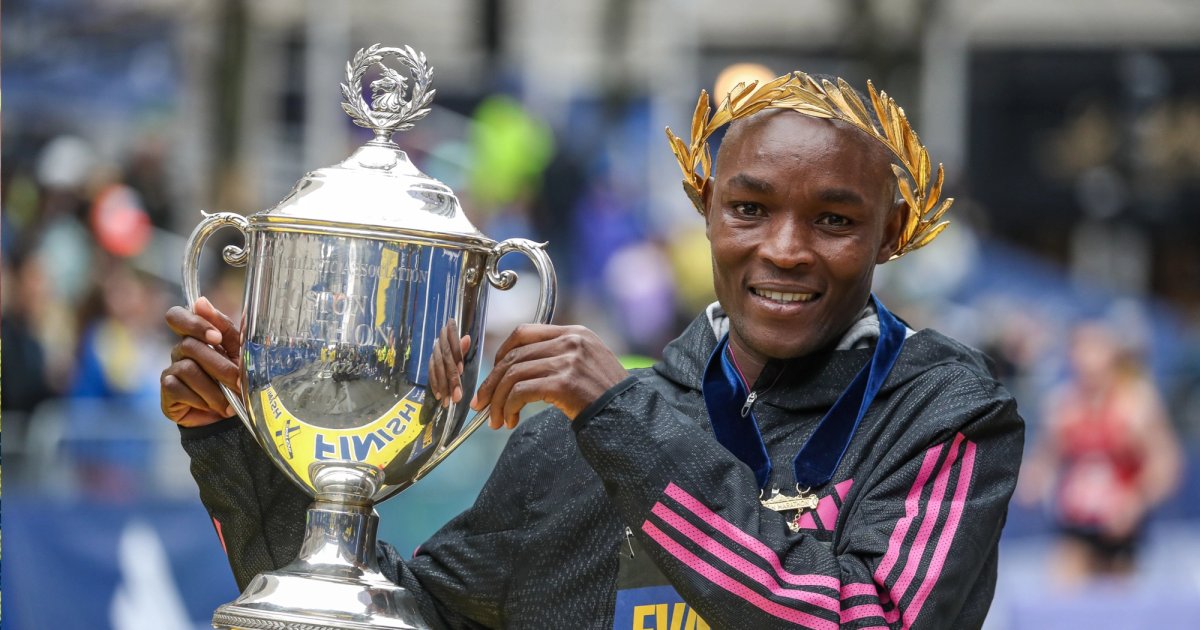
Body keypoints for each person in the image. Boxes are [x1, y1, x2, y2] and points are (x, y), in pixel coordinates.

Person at [161, 74, 1024, 629]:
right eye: (750, 209)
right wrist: (234, 445)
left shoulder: (942, 413)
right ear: (708, 209)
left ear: (891, 234)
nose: (786, 249)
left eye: (834, 220)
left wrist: (625, 423)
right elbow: (407, 620)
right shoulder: (571, 440)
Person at [1018, 321, 1181, 582]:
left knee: (1116, 611)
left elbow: (1166, 462)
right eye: (1081, 348)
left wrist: (1137, 500)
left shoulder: (1136, 404)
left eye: (1095, 348)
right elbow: (1045, 458)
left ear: (1112, 355)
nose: (1087, 358)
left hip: (1121, 526)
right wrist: (1032, 480)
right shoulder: (1062, 405)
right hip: (1075, 522)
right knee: (1062, 600)